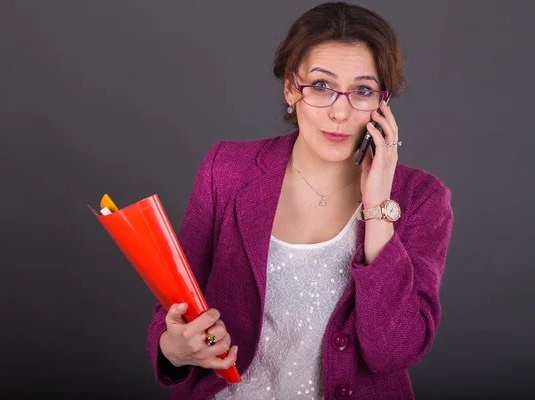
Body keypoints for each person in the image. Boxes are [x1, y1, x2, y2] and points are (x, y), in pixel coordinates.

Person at [146, 2, 454, 399]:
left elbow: (393, 350)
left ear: (383, 102)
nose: (340, 112)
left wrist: (378, 208)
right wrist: (174, 347)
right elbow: (174, 307)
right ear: (292, 88)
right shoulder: (226, 168)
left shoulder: (421, 197)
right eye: (322, 86)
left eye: (362, 91)